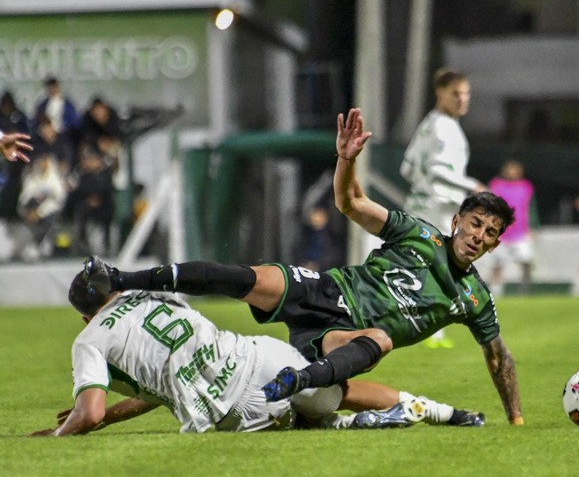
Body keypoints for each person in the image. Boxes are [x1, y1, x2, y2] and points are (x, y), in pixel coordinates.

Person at [84, 108, 524, 426]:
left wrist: (517, 418)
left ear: (494, 245)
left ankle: (297, 381)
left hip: (340, 338)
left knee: (370, 349)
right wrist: (346, 159)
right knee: (248, 278)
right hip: (325, 289)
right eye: (475, 224)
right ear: (457, 221)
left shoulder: (475, 298)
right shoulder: (418, 234)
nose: (477, 236)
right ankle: (122, 278)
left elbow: (498, 357)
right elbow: (350, 202)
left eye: (489, 234)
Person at [31, 270, 482, 437]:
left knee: (309, 419)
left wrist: (64, 432)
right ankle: (442, 412)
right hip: (263, 357)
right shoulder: (157, 297)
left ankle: (337, 422)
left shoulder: (90, 340)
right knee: (334, 390)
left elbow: (87, 413)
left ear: (85, 317)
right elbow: (176, 369)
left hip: (238, 411)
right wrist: (110, 416)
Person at [399, 68, 487, 348]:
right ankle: (428, 329)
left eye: (465, 93)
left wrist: (422, 189)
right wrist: (471, 184)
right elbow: (437, 171)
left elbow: (407, 167)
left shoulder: (430, 123)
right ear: (441, 94)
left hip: (424, 204)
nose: (462, 99)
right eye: (455, 94)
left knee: (428, 265)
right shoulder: (444, 128)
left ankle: (427, 329)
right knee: (442, 266)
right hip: (438, 206)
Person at [487, 160, 538, 296]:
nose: (512, 173)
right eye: (510, 170)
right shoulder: (496, 185)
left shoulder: (526, 187)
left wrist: (533, 227)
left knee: (526, 262)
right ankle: (495, 293)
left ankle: (524, 291)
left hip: (521, 233)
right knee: (498, 265)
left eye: (515, 170)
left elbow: (531, 208)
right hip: (500, 232)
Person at [16, 152, 67, 261]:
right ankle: (29, 246)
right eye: (41, 162)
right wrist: (28, 211)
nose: (43, 164)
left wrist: (39, 212)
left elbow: (57, 201)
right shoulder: (31, 177)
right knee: (30, 208)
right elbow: (25, 197)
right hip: (31, 209)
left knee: (48, 220)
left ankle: (36, 245)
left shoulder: (55, 179)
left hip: (49, 211)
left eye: (45, 162)